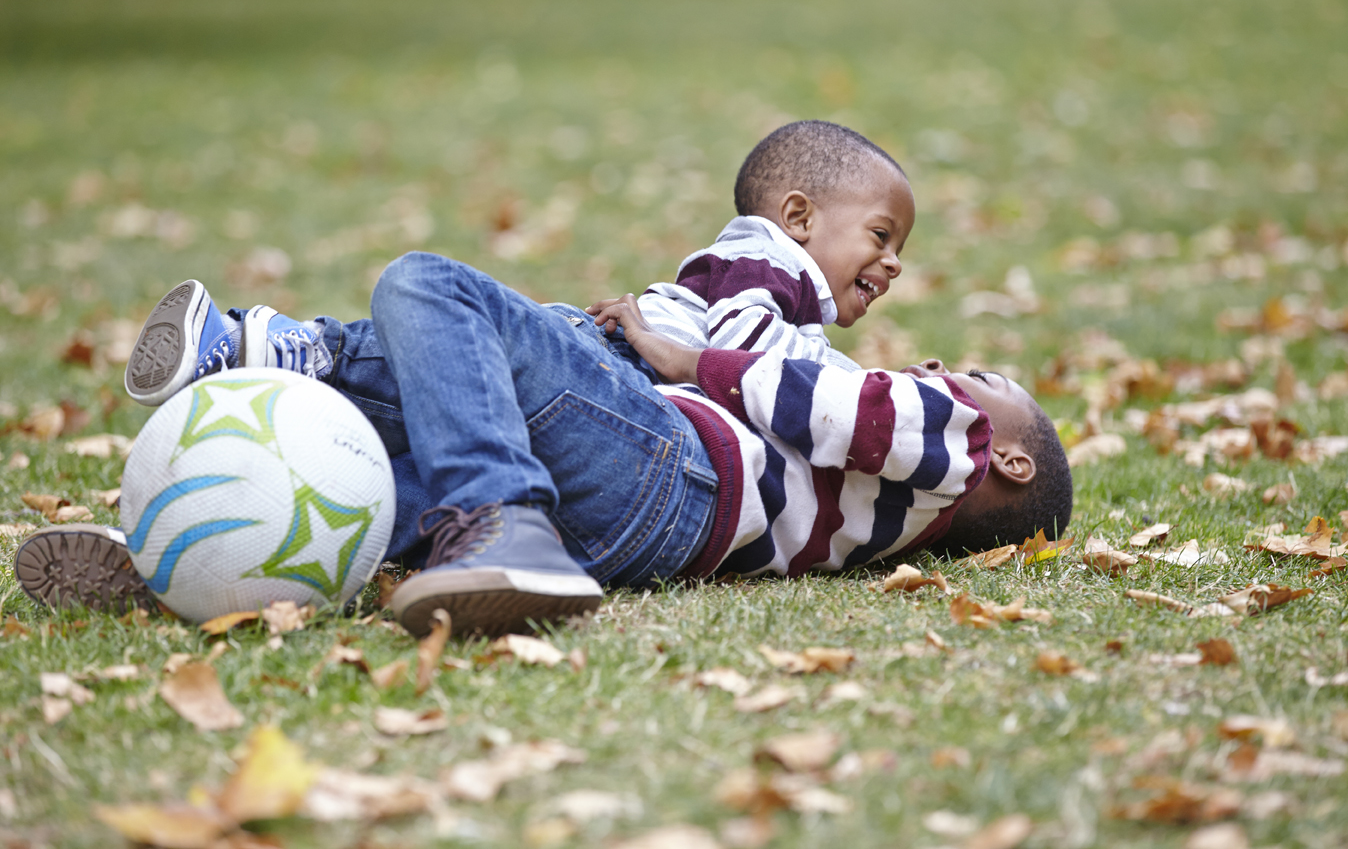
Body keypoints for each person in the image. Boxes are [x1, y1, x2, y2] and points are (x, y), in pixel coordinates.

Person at [15, 253, 1072, 639]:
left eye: (978, 377)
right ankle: (190, 564)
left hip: (675, 471)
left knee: (431, 289)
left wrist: (675, 355)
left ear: (1010, 461)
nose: (945, 369)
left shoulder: (953, 442)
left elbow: (818, 403)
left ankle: (297, 360)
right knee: (396, 469)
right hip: (638, 534)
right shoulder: (884, 521)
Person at [615, 119, 914, 379]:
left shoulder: (780, 289)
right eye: (880, 235)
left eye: (897, 251)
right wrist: (864, 384)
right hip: (618, 360)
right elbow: (748, 353)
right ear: (799, 218)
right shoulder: (765, 259)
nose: (895, 265)